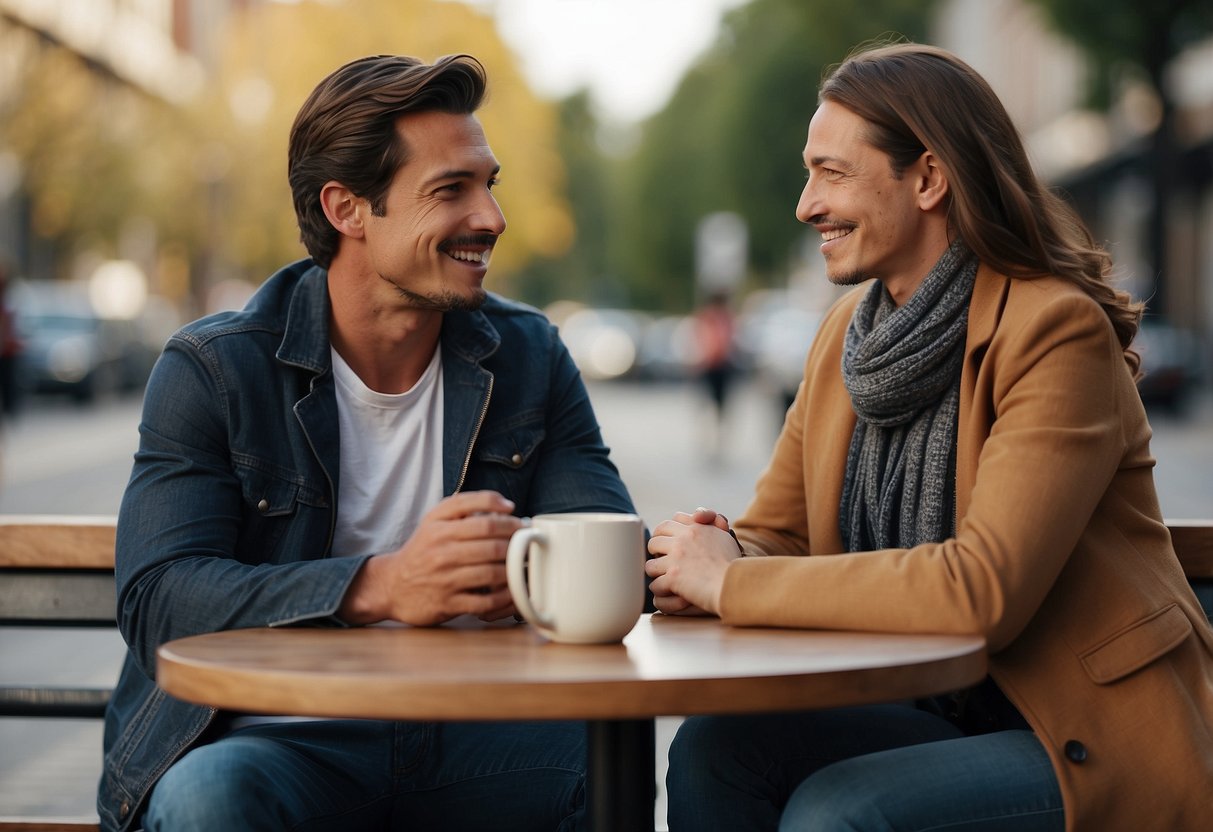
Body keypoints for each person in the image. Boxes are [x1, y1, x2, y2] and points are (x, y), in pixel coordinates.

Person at [646, 41, 1213, 831]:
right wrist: (701, 557)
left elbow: (983, 593)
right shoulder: (844, 333)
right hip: (932, 705)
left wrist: (729, 582)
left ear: (928, 179)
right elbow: (778, 536)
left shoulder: (1054, 330)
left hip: (1077, 734)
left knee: (840, 811)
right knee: (714, 749)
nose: (806, 204)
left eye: (831, 173)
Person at [99, 54, 639, 832]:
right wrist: (382, 586)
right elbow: (159, 601)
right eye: (451, 190)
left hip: (479, 733)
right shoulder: (216, 369)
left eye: (489, 183)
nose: (491, 217)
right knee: (210, 799)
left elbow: (595, 538)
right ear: (348, 209)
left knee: (616, 767)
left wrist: (677, 558)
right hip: (272, 736)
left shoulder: (529, 356)